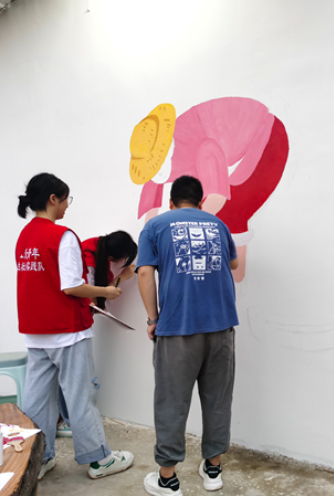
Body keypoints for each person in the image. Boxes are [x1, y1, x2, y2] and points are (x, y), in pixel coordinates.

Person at [16, 173, 134, 480]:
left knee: (37, 400)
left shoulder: (25, 236)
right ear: (53, 199)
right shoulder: (63, 236)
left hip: (36, 332)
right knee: (81, 396)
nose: (67, 205)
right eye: (66, 198)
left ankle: (38, 459)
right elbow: (71, 286)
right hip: (67, 331)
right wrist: (106, 291)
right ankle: (99, 460)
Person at [136, 175, 239, 495]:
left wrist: (152, 318)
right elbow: (234, 263)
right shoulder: (218, 225)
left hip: (177, 327)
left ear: (171, 202)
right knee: (218, 399)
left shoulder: (155, 226)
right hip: (221, 327)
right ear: (201, 201)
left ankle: (167, 479)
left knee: (172, 401)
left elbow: (144, 272)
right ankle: (213, 469)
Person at [56, 231, 138, 438]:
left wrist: (115, 283)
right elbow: (89, 295)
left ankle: (69, 420)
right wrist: (115, 283)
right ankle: (72, 423)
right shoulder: (87, 257)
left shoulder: (95, 252)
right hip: (72, 326)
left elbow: (96, 293)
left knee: (75, 377)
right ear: (112, 256)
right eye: (120, 260)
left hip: (75, 325)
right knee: (79, 379)